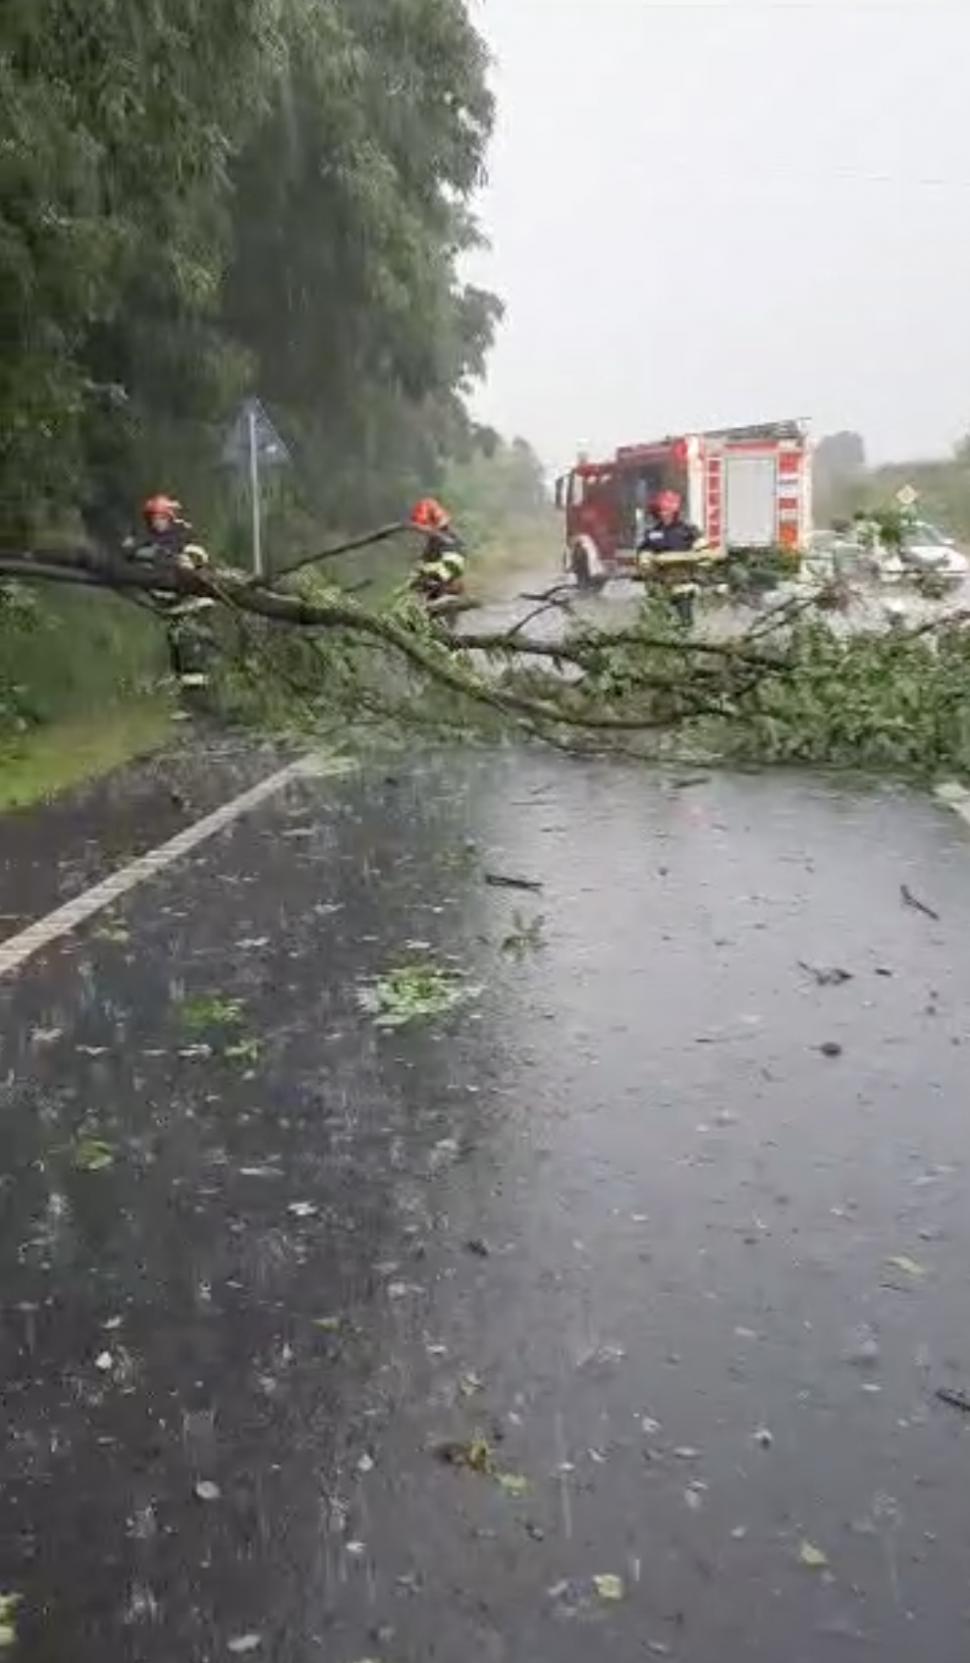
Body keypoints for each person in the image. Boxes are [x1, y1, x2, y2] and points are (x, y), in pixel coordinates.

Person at [636, 490, 707, 626]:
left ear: (675, 511)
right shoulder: (653, 532)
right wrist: (644, 563)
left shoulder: (689, 531)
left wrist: (699, 569)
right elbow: (644, 552)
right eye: (660, 510)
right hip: (660, 584)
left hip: (683, 583)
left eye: (666, 510)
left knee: (685, 620)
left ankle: (686, 640)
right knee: (659, 621)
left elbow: (704, 553)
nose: (663, 513)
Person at [408, 498, 467, 603]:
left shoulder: (449, 541)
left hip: (445, 589)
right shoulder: (433, 543)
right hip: (437, 592)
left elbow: (451, 566)